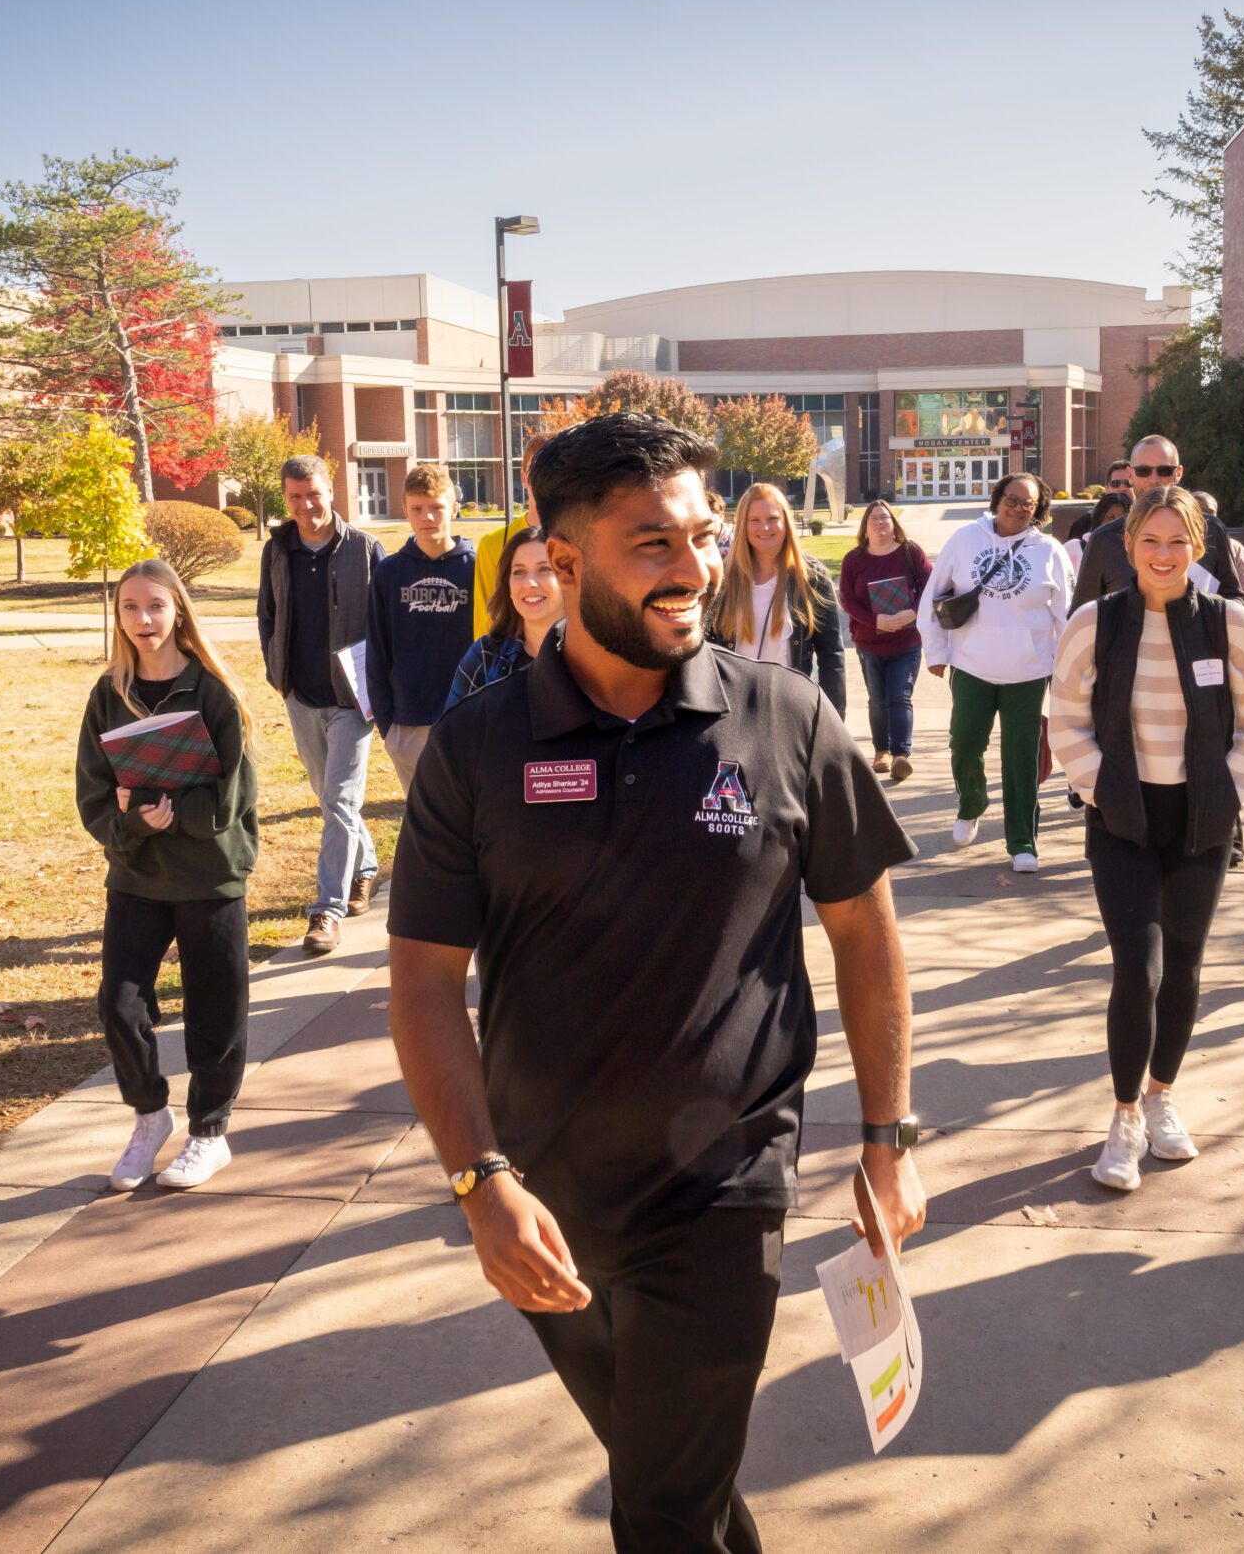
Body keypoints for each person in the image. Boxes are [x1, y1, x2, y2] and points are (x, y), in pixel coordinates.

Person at [386, 413, 926, 1554]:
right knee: (672, 1477)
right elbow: (426, 980)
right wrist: (479, 1180)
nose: (695, 570)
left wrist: (890, 1135)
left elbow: (865, 938)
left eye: (702, 536)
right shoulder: (477, 751)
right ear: (563, 563)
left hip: (724, 1186)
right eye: (653, 546)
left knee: (662, 1512)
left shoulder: (785, 718)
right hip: (547, 1197)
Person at [1046, 487, 1244, 1192]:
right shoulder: (1096, 623)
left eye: (1177, 541)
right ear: (1129, 547)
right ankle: (1123, 1117)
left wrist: (1227, 789)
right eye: (1150, 540)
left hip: (1201, 819)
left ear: (1198, 547)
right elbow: (1064, 719)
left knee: (1183, 963)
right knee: (1137, 968)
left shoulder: (1228, 625)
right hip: (1121, 818)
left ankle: (1162, 1095)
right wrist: (1102, 787)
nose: (1162, 554)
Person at [73, 559, 260, 1193]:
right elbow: (95, 798)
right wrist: (137, 827)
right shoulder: (108, 695)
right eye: (130, 608)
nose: (143, 619)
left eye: (155, 606)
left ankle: (209, 1133)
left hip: (210, 875)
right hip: (138, 875)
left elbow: (233, 795)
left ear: (178, 609)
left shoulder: (213, 691)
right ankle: (151, 1116)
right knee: (119, 1004)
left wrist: (169, 812)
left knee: (215, 1009)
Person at [255, 454, 384, 956]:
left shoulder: (366, 549)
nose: (306, 506)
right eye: (295, 497)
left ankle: (326, 911)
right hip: (301, 695)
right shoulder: (278, 549)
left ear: (331, 491)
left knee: (340, 801)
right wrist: (276, 671)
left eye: (313, 494)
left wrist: (378, 686)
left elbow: (384, 625)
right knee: (329, 796)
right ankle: (366, 867)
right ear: (286, 499)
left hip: (351, 698)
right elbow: (266, 614)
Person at [917, 472, 1073, 872]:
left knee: (1022, 759)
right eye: (1012, 498)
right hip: (972, 666)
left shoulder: (1049, 551)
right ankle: (972, 802)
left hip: (1028, 672)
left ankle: (1022, 840)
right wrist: (936, 650)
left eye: (1029, 504)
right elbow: (933, 595)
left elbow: (1066, 618)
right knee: (965, 746)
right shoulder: (965, 539)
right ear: (997, 497)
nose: (1018, 507)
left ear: (1039, 511)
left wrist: (1065, 669)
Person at [1072, 439, 1244, 625]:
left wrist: (1204, 621)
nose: (1154, 479)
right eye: (1144, 471)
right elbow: (1082, 616)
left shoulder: (1211, 530)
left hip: (1197, 653)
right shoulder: (1104, 539)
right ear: (1130, 474)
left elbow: (1234, 597)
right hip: (1128, 656)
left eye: (1164, 470)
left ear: (1179, 473)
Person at [368, 462, 477, 790]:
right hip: (409, 722)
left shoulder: (477, 568)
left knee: (470, 820)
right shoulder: (388, 574)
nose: (427, 517)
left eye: (437, 507)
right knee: (424, 824)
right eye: (417, 508)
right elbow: (377, 649)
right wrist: (388, 727)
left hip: (468, 716)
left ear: (454, 509)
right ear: (405, 510)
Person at [708, 482, 846, 715]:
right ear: (743, 525)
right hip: (734, 711)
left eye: (772, 518)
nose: (764, 527)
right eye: (755, 520)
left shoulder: (811, 577)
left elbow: (831, 655)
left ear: (785, 522)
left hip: (791, 710)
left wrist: (833, 722)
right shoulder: (724, 580)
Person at [838, 499, 930, 781]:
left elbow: (932, 587)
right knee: (877, 700)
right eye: (874, 518)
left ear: (894, 524)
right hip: (869, 642)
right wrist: (875, 620)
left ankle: (901, 754)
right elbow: (847, 600)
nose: (880, 522)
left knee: (899, 697)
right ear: (865, 526)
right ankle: (882, 752)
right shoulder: (854, 560)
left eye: (885, 518)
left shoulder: (910, 552)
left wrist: (912, 614)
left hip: (906, 642)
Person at [445, 523, 562, 707]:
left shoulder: (597, 659)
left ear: (569, 579)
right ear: (508, 586)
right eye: (519, 572)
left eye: (545, 569)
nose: (529, 582)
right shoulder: (484, 656)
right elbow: (449, 734)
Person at [471, 430, 556, 639]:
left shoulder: (584, 539)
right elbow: (485, 624)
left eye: (554, 471)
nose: (545, 480)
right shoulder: (493, 545)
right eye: (537, 471)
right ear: (524, 477)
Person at [1064, 490, 1131, 575]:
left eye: (1123, 519)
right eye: (1110, 518)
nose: (1117, 524)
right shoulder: (1074, 548)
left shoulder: (1137, 555)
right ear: (1098, 519)